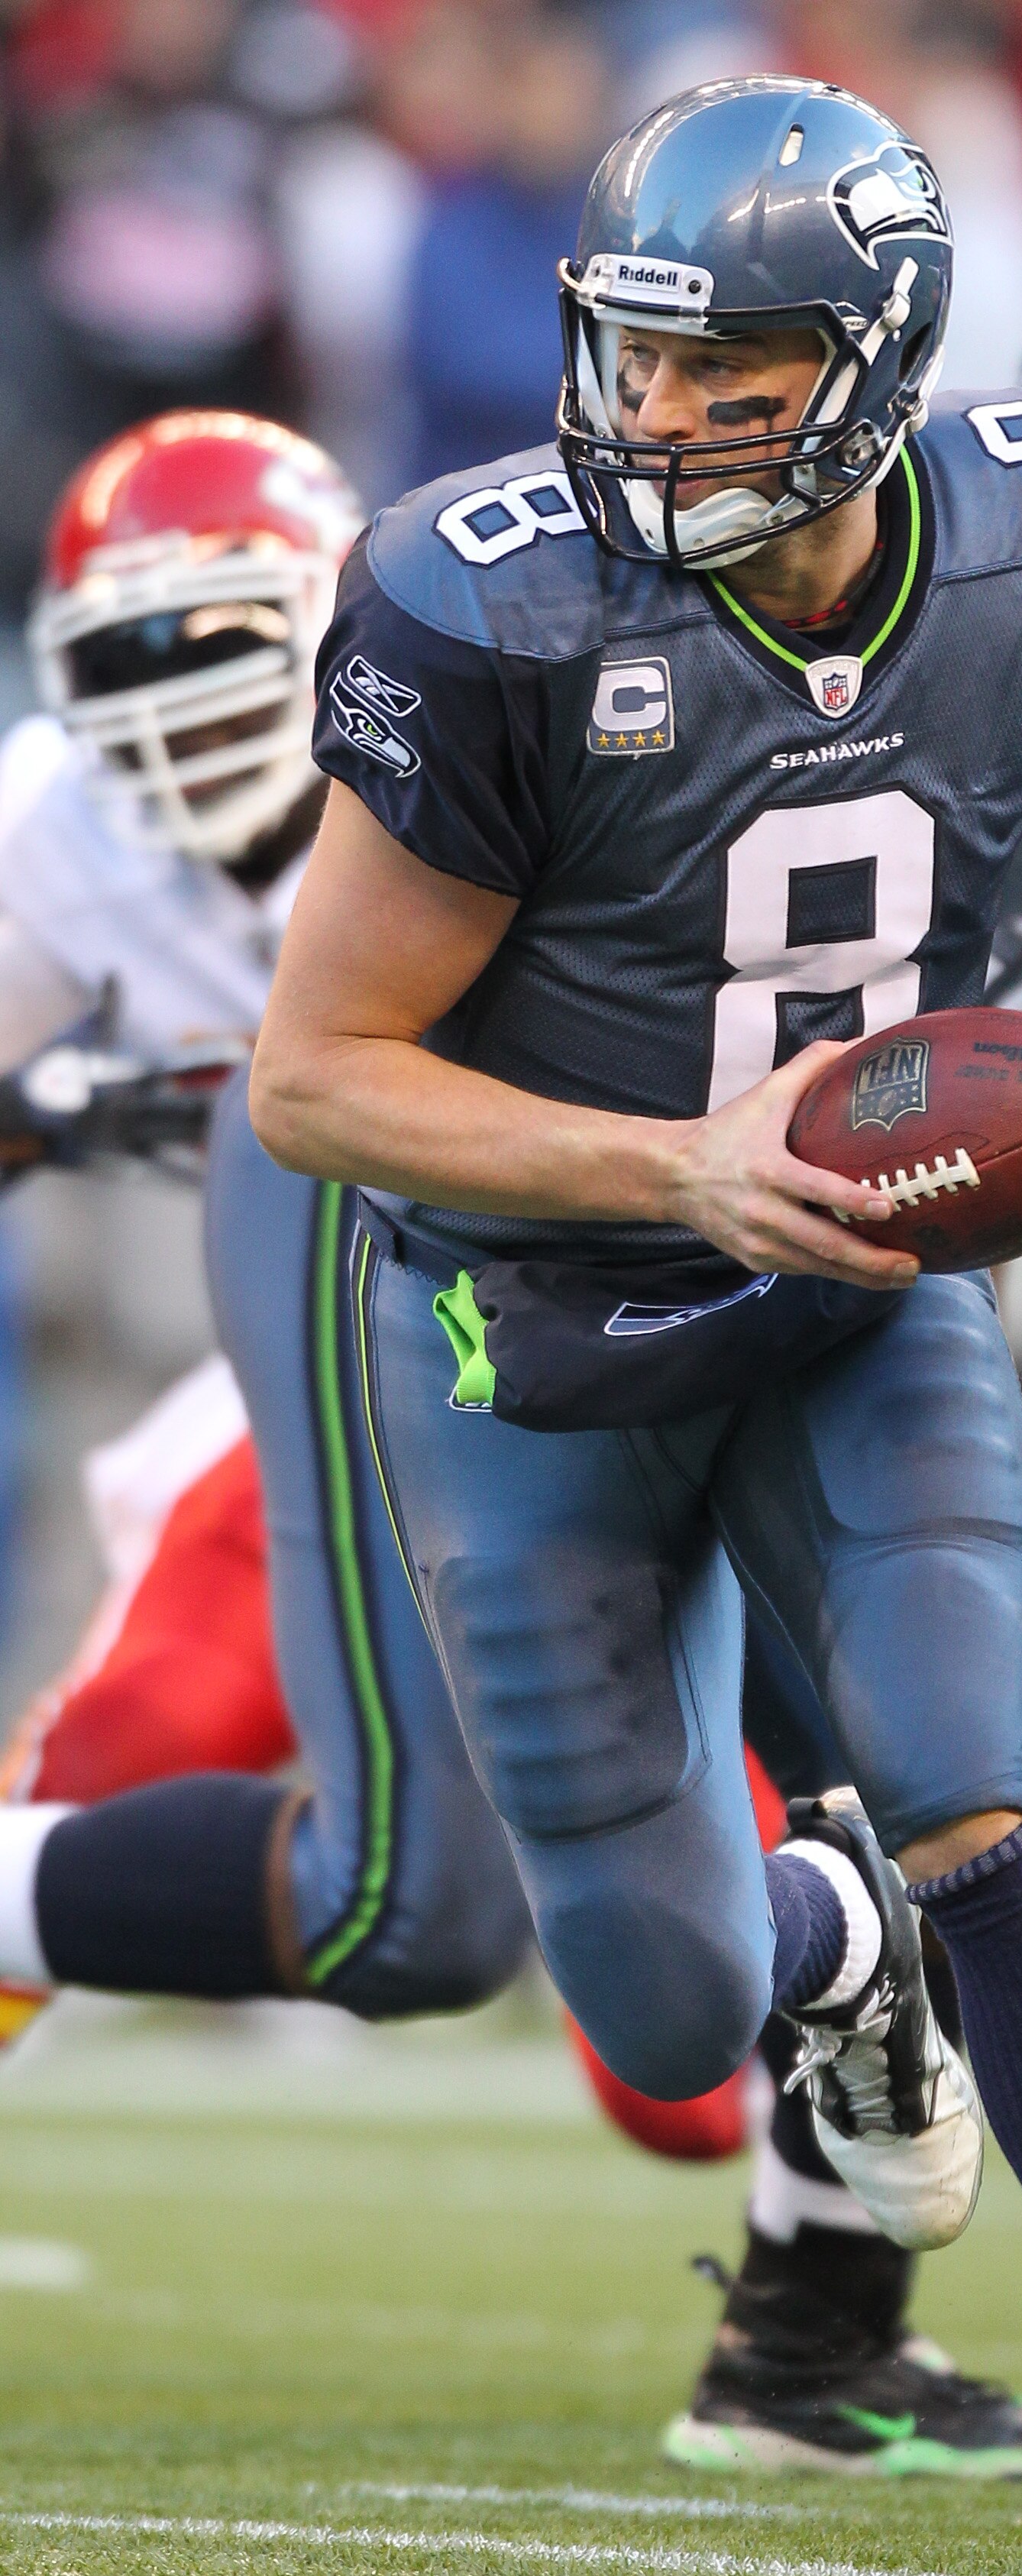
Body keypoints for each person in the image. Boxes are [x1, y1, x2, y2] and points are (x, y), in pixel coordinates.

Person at [247, 79, 1022, 2576]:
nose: (659, 410)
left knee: (983, 1776)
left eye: (729, 364)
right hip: (531, 1334)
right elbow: (315, 1076)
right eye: (633, 353)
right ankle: (836, 1969)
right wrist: (678, 1164)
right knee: (656, 1982)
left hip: (860, 1306)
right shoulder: (486, 596)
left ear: (873, 357)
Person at [0, 408, 532, 2025]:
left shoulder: (476, 756)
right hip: (303, 1379)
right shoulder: (49, 828)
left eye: (219, 639)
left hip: (552, 1363)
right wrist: (51, 1104)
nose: (175, 692)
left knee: (669, 2073)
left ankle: (824, 2248)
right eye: (129, 655)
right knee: (108, 1750)